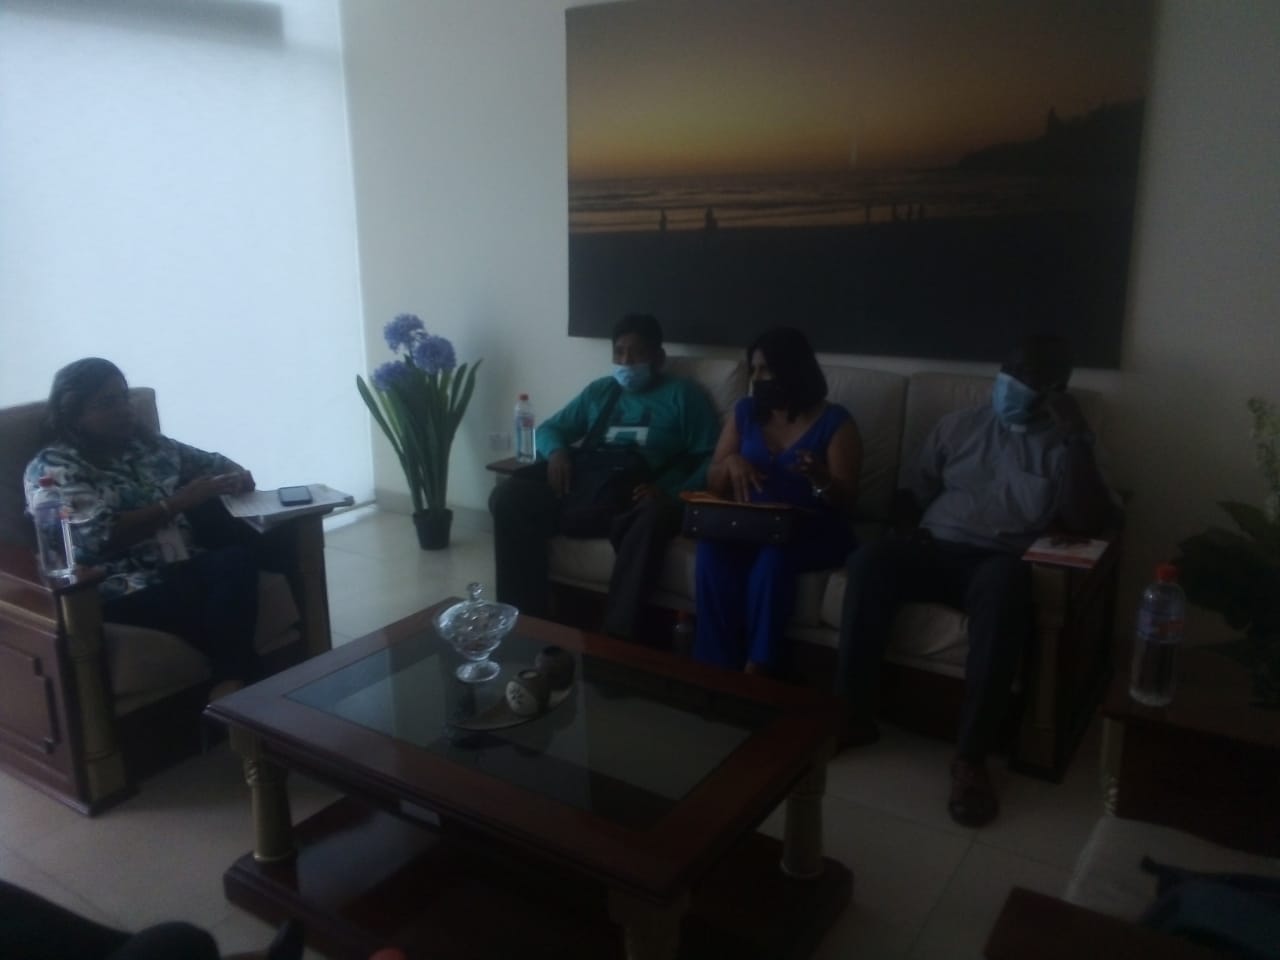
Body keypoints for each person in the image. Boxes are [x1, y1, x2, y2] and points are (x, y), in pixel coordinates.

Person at [835, 334, 1116, 827]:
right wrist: (906, 530)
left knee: (1006, 590)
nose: (1011, 382)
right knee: (869, 562)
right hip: (934, 546)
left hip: (996, 560)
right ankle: (852, 716)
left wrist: (1076, 435)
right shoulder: (958, 425)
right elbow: (912, 492)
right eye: (1009, 369)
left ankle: (970, 759)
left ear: (1056, 388)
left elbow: (1088, 519)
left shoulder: (1064, 446)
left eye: (1027, 376)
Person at [23, 358, 263, 688]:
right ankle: (233, 683)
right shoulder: (54, 468)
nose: (124, 410)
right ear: (73, 415)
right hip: (117, 586)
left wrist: (236, 478)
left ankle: (239, 684)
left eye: (124, 398)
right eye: (107, 403)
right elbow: (100, 538)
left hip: (180, 566)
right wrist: (176, 503)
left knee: (256, 549)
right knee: (233, 570)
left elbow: (217, 465)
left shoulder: (148, 446)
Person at [489, 314, 720, 640]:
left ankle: (615, 638)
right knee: (508, 496)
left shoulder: (683, 395)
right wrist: (557, 452)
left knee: (653, 516)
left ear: (658, 357)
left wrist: (671, 492)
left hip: (640, 499)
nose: (626, 361)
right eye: (619, 352)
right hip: (589, 489)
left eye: (637, 353)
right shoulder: (602, 391)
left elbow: (711, 458)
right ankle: (525, 623)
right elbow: (549, 429)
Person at [694, 327, 861, 674]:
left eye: (765, 370)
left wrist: (821, 478)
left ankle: (759, 668)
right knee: (711, 551)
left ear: (792, 370)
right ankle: (714, 668)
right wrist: (731, 462)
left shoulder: (836, 422)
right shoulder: (744, 412)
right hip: (751, 524)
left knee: (774, 559)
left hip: (812, 530)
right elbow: (712, 482)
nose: (756, 379)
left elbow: (847, 501)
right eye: (753, 370)